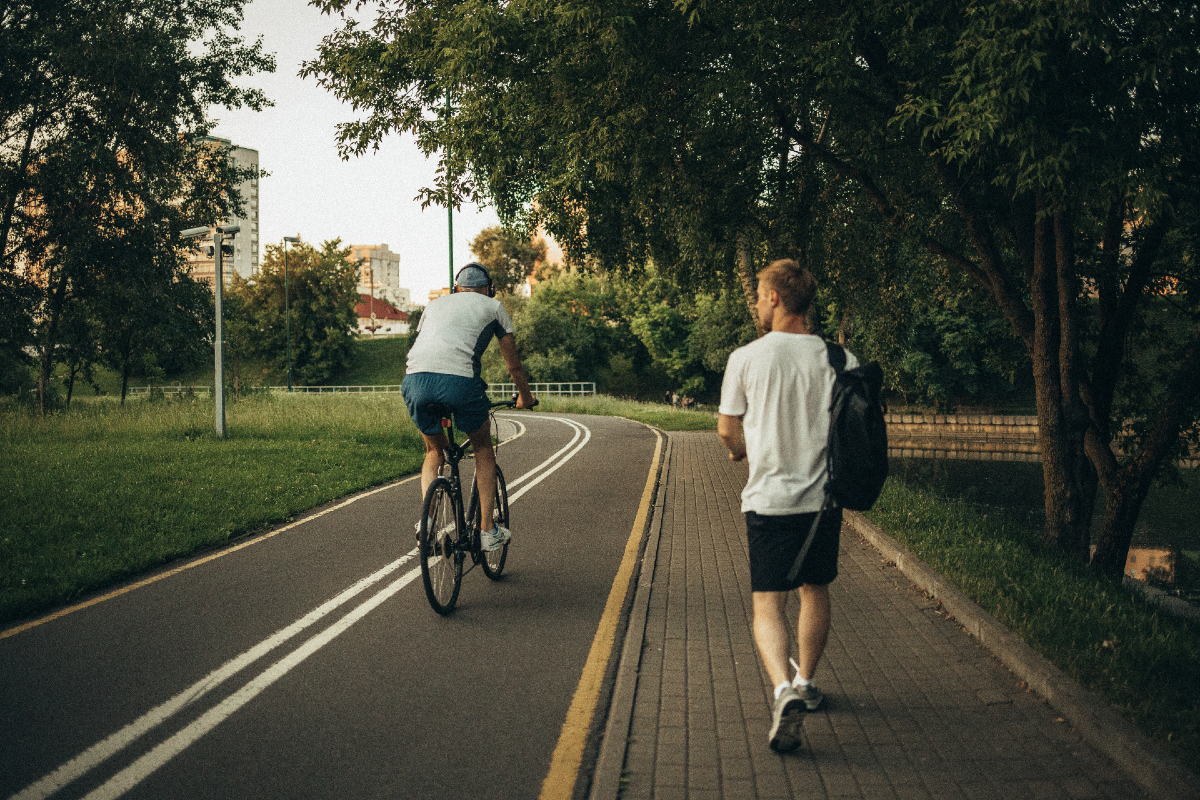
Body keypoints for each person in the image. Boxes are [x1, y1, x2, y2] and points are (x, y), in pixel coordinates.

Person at [716, 258, 857, 753]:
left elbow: (728, 430)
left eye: (758, 293)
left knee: (768, 602)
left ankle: (780, 687)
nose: (756, 301)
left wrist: (742, 453)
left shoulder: (747, 359)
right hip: (823, 503)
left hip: (768, 502)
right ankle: (807, 683)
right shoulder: (841, 360)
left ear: (775, 298)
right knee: (815, 591)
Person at [402, 262, 535, 551]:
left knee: (434, 450)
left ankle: (427, 524)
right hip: (460, 384)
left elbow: (426, 345)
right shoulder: (494, 306)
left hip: (415, 381)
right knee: (483, 448)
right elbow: (513, 363)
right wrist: (525, 396)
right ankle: (487, 531)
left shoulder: (433, 306)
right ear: (489, 289)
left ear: (455, 289)